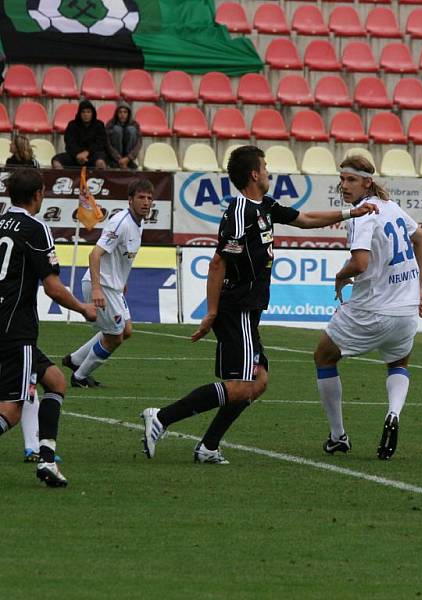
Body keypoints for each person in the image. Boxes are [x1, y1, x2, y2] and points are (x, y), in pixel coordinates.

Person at [139, 146, 377, 464]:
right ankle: (162, 418)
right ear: (254, 174)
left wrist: (351, 213)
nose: (268, 172)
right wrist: (211, 312)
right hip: (235, 307)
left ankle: (208, 446)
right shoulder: (241, 212)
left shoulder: (264, 206)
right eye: (264, 167)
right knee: (242, 384)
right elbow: (217, 263)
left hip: (248, 310)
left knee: (258, 381)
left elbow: (305, 219)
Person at [314, 156, 422, 460]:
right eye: (341, 179)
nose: (344, 185)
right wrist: (418, 287)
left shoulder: (363, 216)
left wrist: (341, 275)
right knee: (398, 364)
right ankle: (393, 413)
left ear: (367, 182)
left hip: (371, 310)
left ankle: (338, 436)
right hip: (405, 311)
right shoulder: (392, 208)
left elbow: (360, 262)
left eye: (350, 180)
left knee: (324, 356)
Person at [0, 167, 96, 486]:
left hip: (9, 324)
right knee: (11, 412)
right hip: (15, 328)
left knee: (55, 381)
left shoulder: (0, 221)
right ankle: (45, 461)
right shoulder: (35, 227)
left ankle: (46, 462)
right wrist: (83, 308)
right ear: (38, 194)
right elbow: (53, 287)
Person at [61, 179, 153, 388]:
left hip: (113, 286)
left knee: (125, 330)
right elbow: (94, 255)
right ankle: (80, 377)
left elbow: (123, 256)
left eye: (149, 198)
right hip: (101, 285)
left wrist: (123, 280)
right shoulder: (120, 223)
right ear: (130, 200)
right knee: (115, 337)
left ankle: (75, 360)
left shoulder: (140, 222)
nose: (146, 202)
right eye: (141, 197)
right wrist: (96, 289)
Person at [51, 99, 108, 169]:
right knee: (56, 160)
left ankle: (100, 179)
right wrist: (78, 154)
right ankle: (63, 179)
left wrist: (87, 152)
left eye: (88, 112)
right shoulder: (72, 125)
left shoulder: (99, 125)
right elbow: (69, 143)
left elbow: (100, 143)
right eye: (83, 112)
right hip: (75, 156)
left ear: (92, 113)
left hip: (93, 155)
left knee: (100, 162)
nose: (86, 114)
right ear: (79, 113)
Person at [105, 102, 141, 170]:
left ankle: (128, 162)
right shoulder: (110, 124)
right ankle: (118, 162)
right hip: (115, 157)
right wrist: (118, 158)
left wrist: (129, 157)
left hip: (128, 157)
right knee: (117, 129)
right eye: (120, 112)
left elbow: (139, 143)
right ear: (117, 114)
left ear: (128, 114)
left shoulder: (135, 124)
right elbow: (107, 143)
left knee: (132, 130)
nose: (122, 114)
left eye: (125, 112)